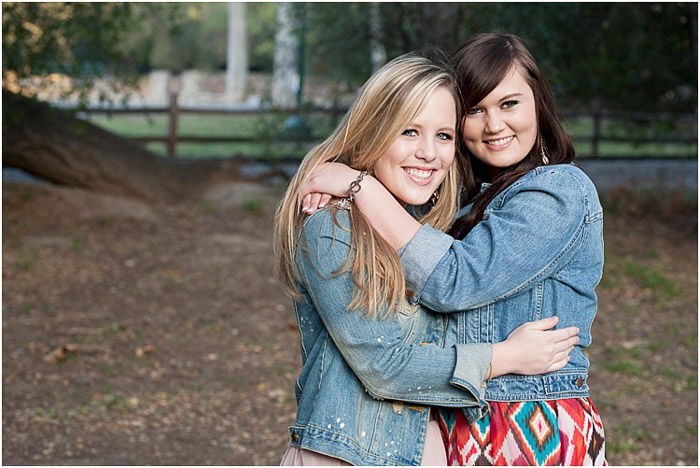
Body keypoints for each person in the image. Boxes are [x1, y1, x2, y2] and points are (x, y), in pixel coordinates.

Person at [299, 34, 606, 465]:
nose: (494, 124)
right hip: (453, 425)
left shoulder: (558, 191)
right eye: (476, 110)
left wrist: (359, 184)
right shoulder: (459, 204)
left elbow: (455, 280)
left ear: (539, 101)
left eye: (509, 104)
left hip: (532, 423)